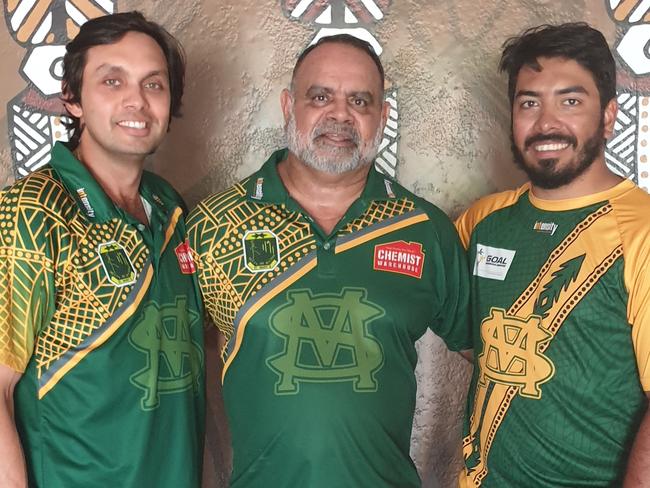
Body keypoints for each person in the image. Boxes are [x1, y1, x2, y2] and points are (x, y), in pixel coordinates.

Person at [188, 34, 470, 487]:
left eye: (360, 100)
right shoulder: (214, 226)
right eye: (320, 96)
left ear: (382, 116)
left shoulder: (423, 228)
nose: (340, 114)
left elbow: (490, 355)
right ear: (288, 107)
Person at [0, 12, 205, 488]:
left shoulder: (169, 207)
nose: (136, 100)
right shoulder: (33, 211)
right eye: (112, 81)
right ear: (72, 99)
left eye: (154, 85)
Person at [456, 23, 650, 487]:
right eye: (529, 103)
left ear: (607, 116)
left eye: (570, 101)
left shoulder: (640, 230)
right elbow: (461, 329)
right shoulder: (481, 222)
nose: (546, 123)